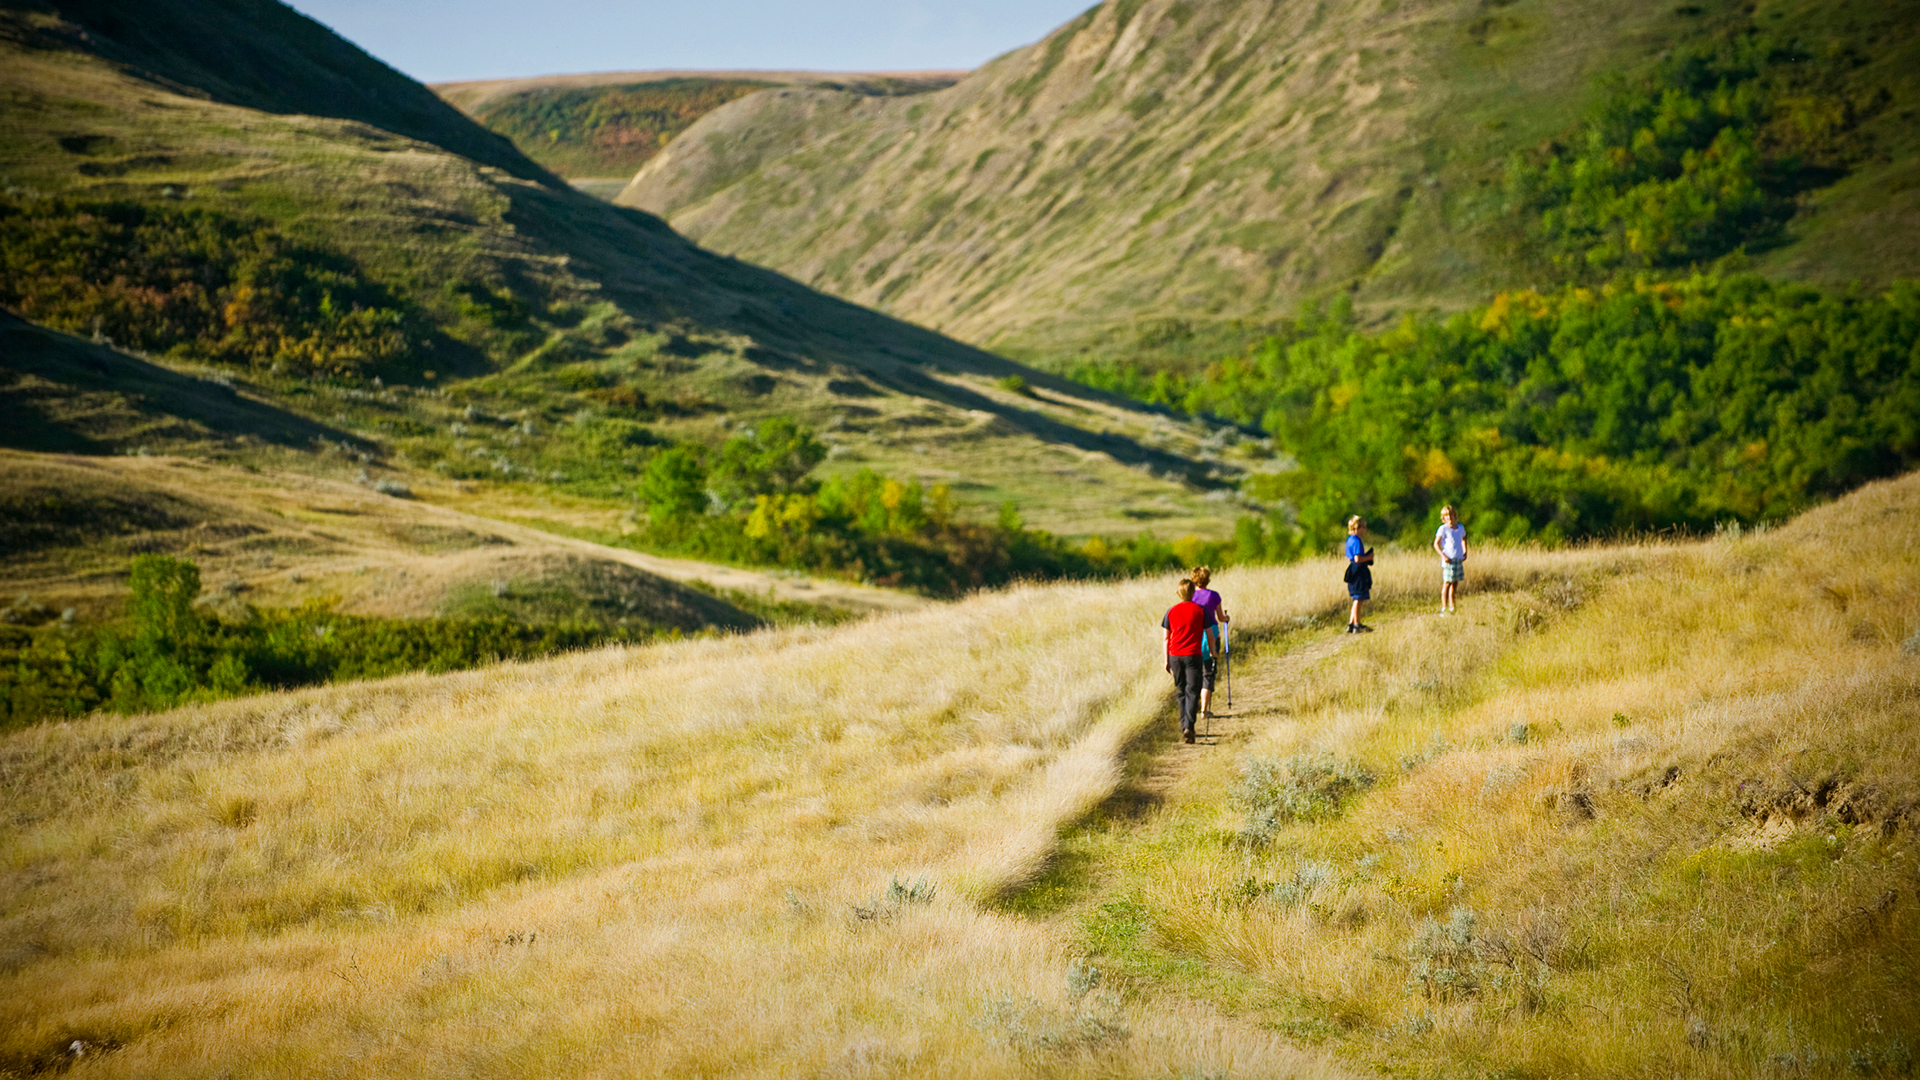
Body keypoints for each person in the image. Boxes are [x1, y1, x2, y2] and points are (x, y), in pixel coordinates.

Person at [1161, 577, 1220, 744]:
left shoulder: (1171, 611)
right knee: (1192, 691)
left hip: (1175, 656)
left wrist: (1166, 660)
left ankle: (1183, 726)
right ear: (1193, 592)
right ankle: (1190, 726)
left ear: (1179, 593)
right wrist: (1213, 651)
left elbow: (1166, 638)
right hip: (1194, 655)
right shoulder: (1201, 611)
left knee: (1181, 692)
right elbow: (1210, 635)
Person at [1189, 565, 1229, 718]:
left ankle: (1194, 706)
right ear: (1208, 579)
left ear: (1193, 579)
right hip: (1212, 634)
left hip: (1195, 635)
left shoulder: (1190, 596)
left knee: (1195, 672)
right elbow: (1220, 617)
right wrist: (1226, 619)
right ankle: (1204, 710)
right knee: (1208, 673)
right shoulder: (1214, 596)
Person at [1432, 504, 1468, 615]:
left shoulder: (1460, 528)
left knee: (1455, 584)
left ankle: (1452, 606)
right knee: (1447, 584)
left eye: (1451, 514)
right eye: (1446, 515)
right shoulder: (1443, 529)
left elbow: (1463, 539)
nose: (1449, 517)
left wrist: (1465, 551)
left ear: (1454, 515)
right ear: (1444, 517)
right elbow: (1436, 544)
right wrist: (1444, 556)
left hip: (1458, 558)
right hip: (1449, 560)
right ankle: (1444, 607)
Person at [1344, 515, 1374, 633]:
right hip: (1359, 569)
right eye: (1363, 527)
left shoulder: (1349, 540)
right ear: (1357, 528)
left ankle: (1352, 623)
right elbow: (1357, 558)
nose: (1365, 530)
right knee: (1359, 598)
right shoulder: (1357, 541)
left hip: (1352, 569)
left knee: (1356, 596)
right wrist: (1368, 557)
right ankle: (1357, 624)